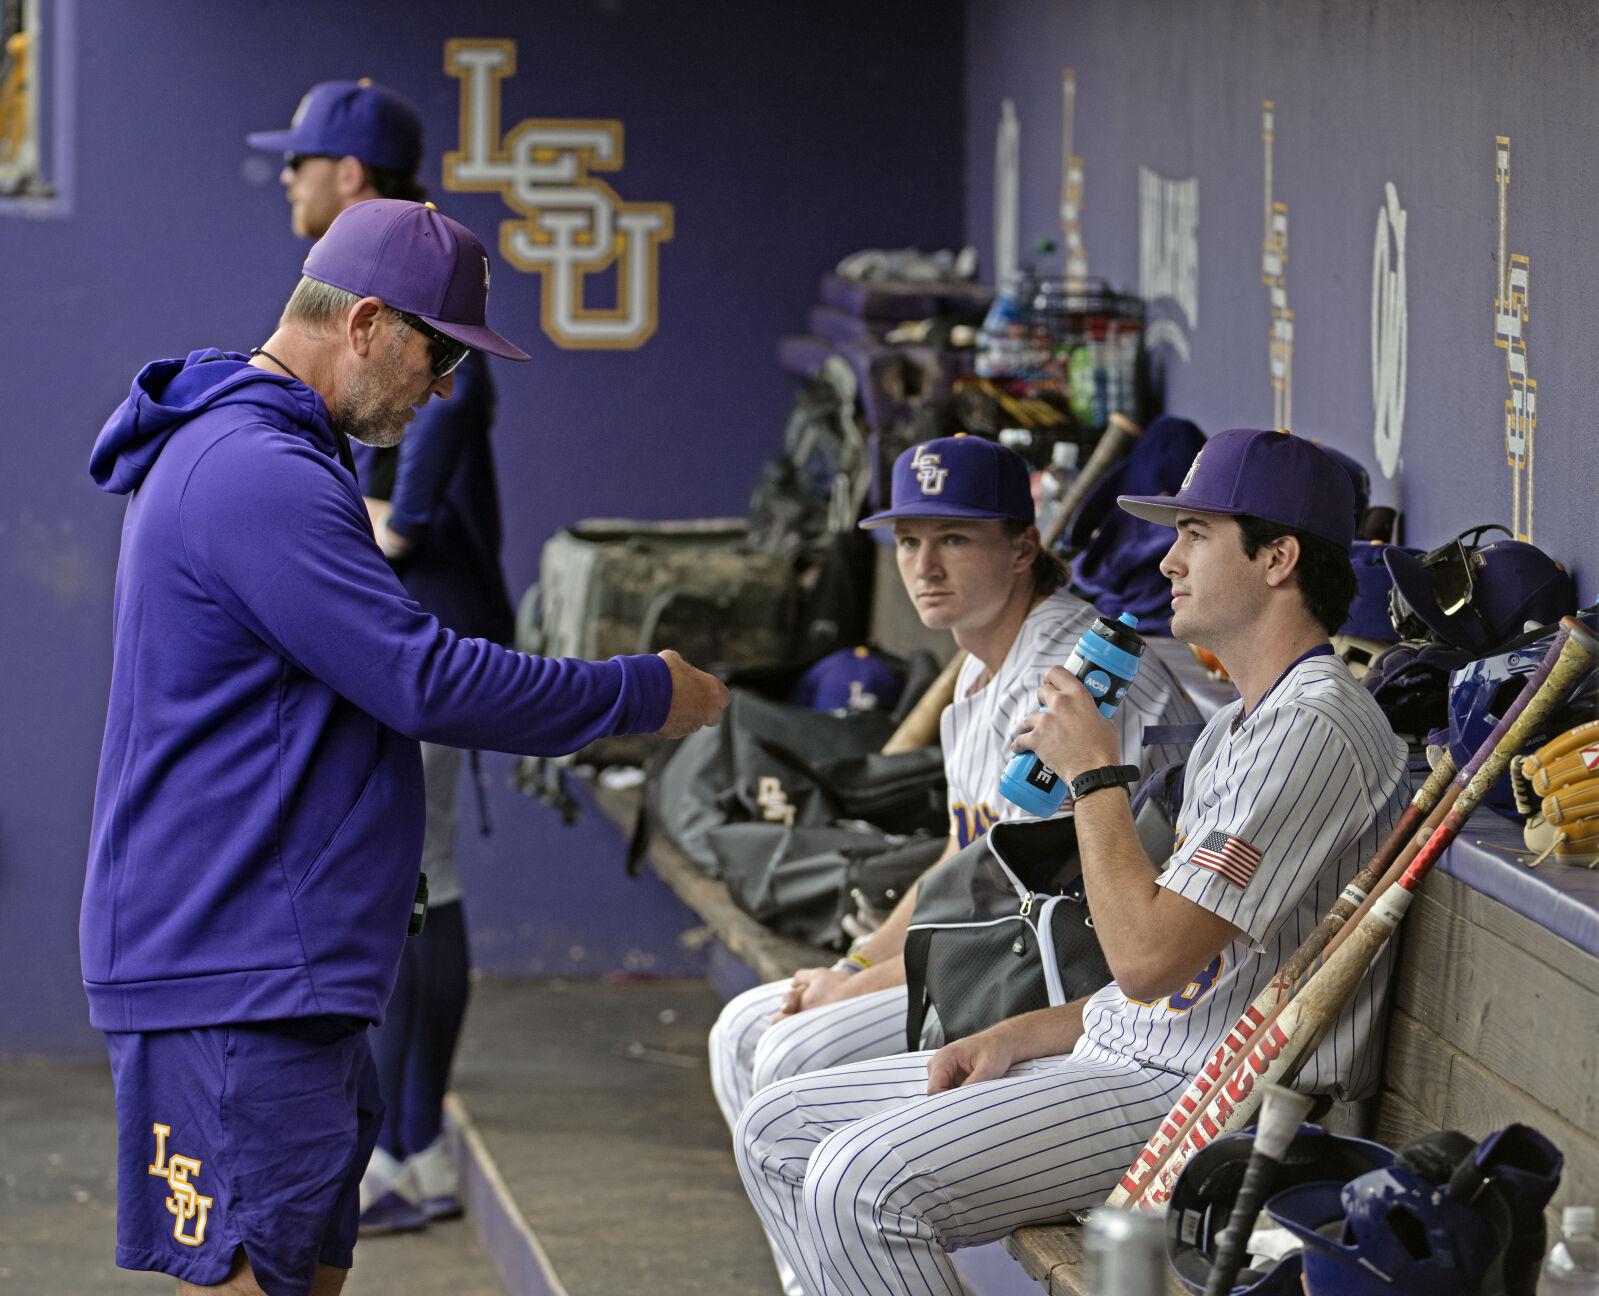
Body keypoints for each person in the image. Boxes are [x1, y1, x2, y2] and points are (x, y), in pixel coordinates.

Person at [82, 197, 729, 1296]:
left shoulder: (273, 452)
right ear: (368, 322)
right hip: (232, 974)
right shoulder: (252, 470)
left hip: (280, 970)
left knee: (305, 1273)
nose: (445, 390)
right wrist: (643, 691)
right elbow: (422, 677)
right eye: (442, 357)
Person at [732, 429, 1409, 1296]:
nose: (1167, 561)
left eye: (1194, 534)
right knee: (778, 1126)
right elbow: (1154, 988)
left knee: (857, 1182)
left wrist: (1093, 773)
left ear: (1277, 558)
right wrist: (1018, 1033)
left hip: (1210, 1091)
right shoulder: (1243, 723)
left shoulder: (1311, 725)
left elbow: (1147, 960)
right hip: (1133, 1051)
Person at [707, 435, 1202, 1292]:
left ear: (1022, 546)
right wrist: (853, 964)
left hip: (1079, 974)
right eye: (908, 541)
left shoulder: (1071, 674)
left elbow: (999, 901)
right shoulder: (976, 669)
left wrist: (850, 989)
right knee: (740, 1030)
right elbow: (958, 864)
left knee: (787, 1053)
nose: (923, 566)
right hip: (1011, 954)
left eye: (954, 538)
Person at [247, 79, 516, 1231]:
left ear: (349, 172)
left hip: (436, 629)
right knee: (405, 882)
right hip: (406, 630)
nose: (287, 177)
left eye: (302, 160)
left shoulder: (423, 304)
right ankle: (405, 1147)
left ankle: (416, 1152)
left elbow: (398, 522)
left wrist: (285, 517)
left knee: (425, 881)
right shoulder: (366, 298)